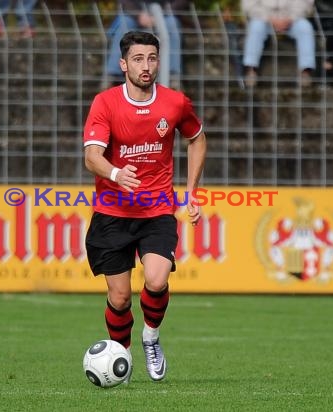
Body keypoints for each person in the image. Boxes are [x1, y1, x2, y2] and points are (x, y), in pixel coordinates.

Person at [83, 31, 206, 382]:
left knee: (156, 277)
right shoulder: (105, 103)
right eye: (138, 59)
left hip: (157, 211)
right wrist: (116, 172)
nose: (146, 66)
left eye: (152, 58)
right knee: (120, 298)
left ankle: (151, 338)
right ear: (123, 64)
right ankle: (119, 360)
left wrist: (191, 192)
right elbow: (92, 157)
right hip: (112, 213)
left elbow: (196, 139)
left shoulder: (175, 103)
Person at [105, 0, 189, 88]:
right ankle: (113, 76)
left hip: (166, 13)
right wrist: (138, 15)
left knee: (172, 25)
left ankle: (173, 78)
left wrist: (161, 14)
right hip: (133, 13)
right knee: (124, 25)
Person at [241, 0, 316, 87]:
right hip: (263, 19)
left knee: (305, 28)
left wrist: (290, 18)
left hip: (292, 20)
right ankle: (250, 70)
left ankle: (306, 72)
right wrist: (269, 18)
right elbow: (249, 5)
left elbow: (305, 3)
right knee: (255, 28)